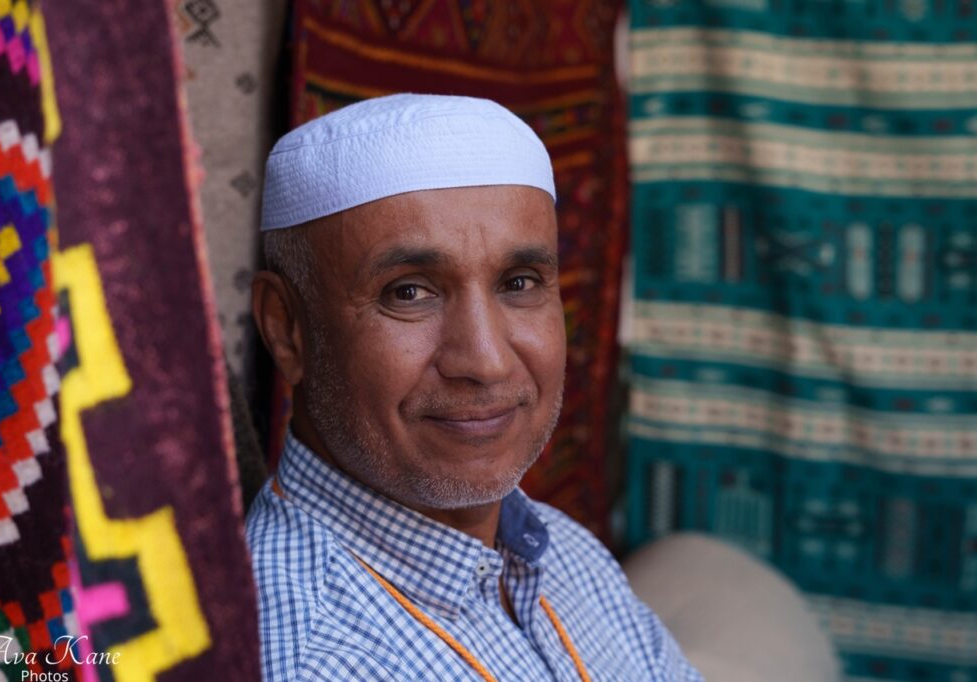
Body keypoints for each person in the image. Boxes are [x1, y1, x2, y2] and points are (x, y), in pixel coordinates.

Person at [246, 94, 702, 681]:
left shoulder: (559, 552)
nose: (486, 361)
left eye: (520, 283)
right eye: (409, 292)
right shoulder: (313, 658)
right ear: (286, 328)